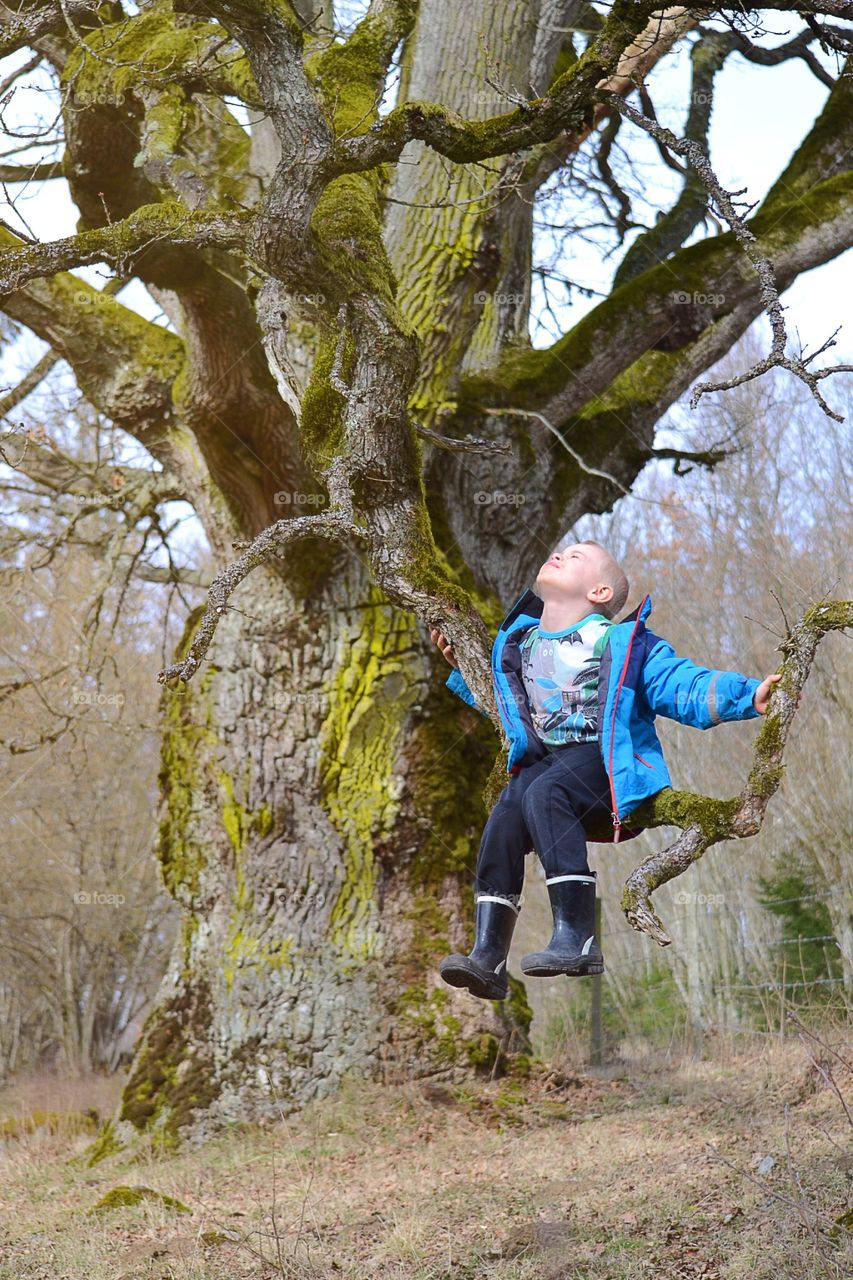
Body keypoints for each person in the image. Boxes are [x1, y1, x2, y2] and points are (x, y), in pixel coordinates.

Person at [431, 540, 782, 1001]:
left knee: (543, 793)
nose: (559, 554)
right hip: (545, 763)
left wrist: (747, 695)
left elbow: (682, 685)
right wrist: (466, 668)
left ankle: (577, 938)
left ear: (598, 591)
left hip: (601, 760)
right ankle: (488, 956)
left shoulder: (621, 642)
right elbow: (507, 710)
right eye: (560, 551)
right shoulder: (519, 643)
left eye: (575, 557)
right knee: (504, 817)